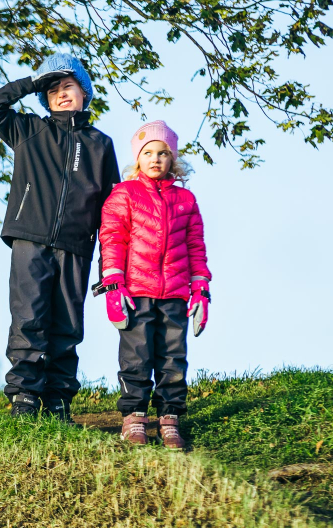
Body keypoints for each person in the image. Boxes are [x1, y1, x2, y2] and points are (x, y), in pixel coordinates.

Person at [0, 53, 120, 422]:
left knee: (67, 325)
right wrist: (32, 83)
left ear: (84, 92)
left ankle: (58, 400)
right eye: (52, 89)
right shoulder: (28, 131)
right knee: (28, 317)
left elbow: (113, 209)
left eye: (68, 86)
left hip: (76, 246)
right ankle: (24, 396)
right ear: (44, 97)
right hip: (30, 238)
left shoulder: (100, 145)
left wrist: (110, 264)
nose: (61, 94)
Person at [96, 120, 211, 449]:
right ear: (138, 158)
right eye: (148, 153)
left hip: (175, 293)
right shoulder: (124, 194)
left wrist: (201, 289)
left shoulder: (185, 200)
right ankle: (134, 416)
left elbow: (196, 246)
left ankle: (169, 418)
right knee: (137, 356)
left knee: (173, 357)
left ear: (172, 158)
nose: (155, 158)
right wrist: (113, 282)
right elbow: (112, 238)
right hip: (135, 292)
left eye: (163, 153)